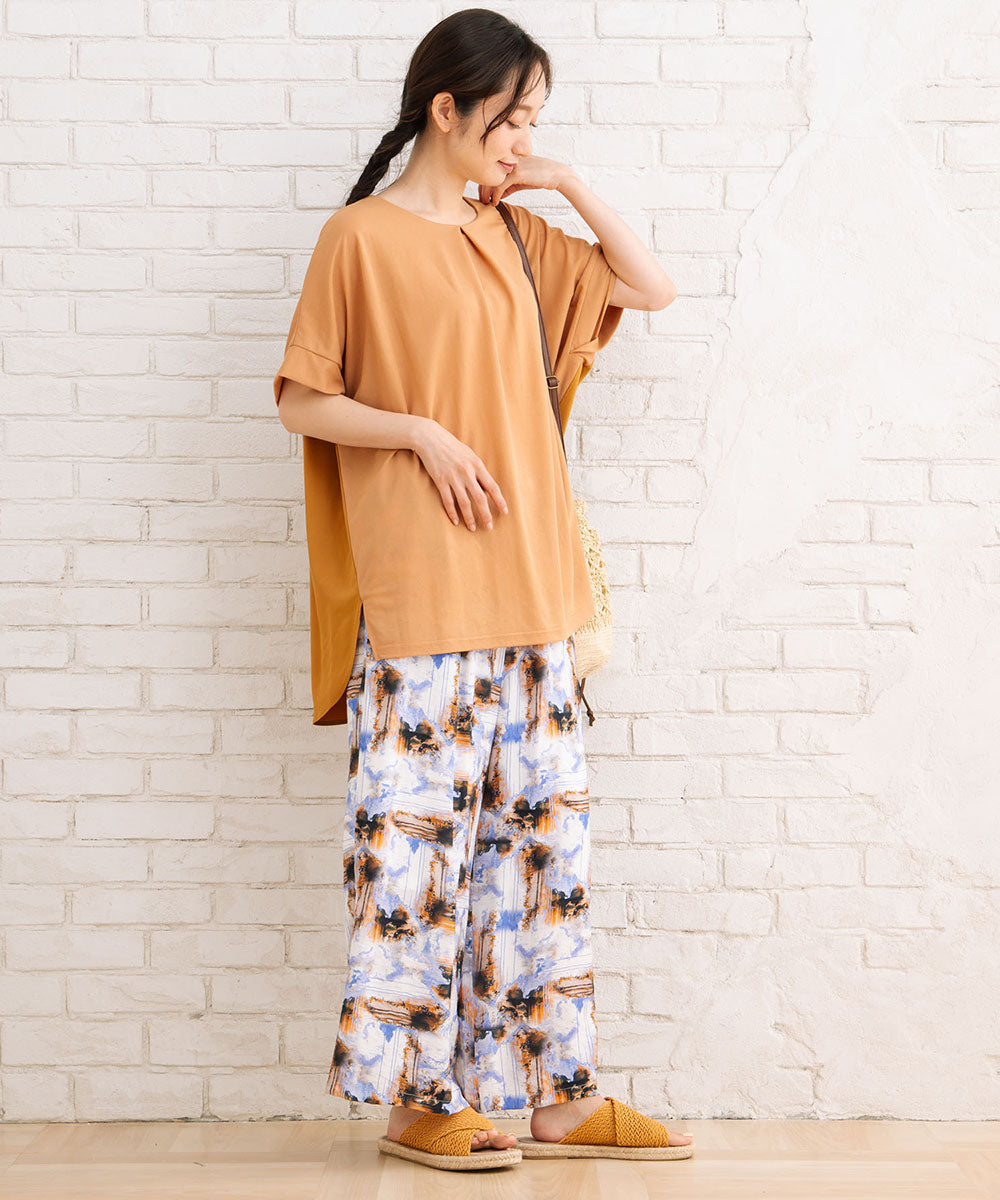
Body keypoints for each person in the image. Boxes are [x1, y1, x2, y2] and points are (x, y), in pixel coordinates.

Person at [272, 6, 684, 1172]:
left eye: (535, 122)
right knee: (413, 860)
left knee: (543, 856)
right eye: (509, 121)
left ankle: (557, 1093)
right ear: (444, 108)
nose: (521, 142)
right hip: (420, 594)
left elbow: (649, 287)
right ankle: (416, 1099)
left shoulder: (514, 235)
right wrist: (418, 432)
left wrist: (565, 182)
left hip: (533, 589)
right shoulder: (358, 238)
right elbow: (302, 399)